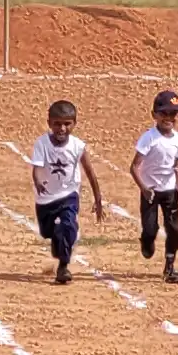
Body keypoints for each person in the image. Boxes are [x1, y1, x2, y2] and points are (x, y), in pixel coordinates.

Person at [25, 98, 109, 284]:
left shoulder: (78, 146)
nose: (62, 128)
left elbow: (90, 172)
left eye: (67, 124)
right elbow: (37, 168)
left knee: (68, 225)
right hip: (46, 198)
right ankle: (59, 242)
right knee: (48, 232)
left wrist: (98, 199)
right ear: (49, 124)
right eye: (57, 124)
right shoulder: (42, 144)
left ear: (74, 124)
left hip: (68, 194)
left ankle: (63, 267)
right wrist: (38, 181)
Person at [126, 91, 178, 282]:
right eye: (164, 113)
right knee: (150, 228)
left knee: (173, 229)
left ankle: (170, 267)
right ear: (154, 115)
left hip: (169, 191)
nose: (168, 118)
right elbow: (135, 166)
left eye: (173, 114)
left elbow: (176, 168)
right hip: (151, 192)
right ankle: (147, 241)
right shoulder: (149, 138)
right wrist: (144, 188)